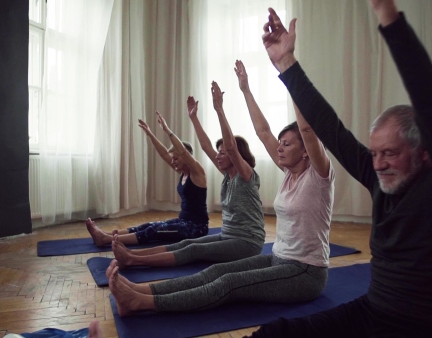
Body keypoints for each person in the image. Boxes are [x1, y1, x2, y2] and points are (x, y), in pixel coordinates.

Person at [248, 1, 432, 337]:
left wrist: (388, 16)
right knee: (275, 334)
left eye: (390, 153)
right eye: (374, 153)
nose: (378, 164)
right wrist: (286, 63)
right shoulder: (382, 179)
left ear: (426, 153)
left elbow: (431, 100)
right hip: (377, 312)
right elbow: (331, 128)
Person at [105, 64, 335, 317]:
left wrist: (288, 69)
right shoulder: (288, 174)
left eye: (287, 144)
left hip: (305, 272)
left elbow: (306, 130)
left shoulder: (319, 176)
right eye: (280, 144)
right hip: (278, 258)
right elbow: (263, 131)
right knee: (216, 272)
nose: (279, 148)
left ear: (306, 150)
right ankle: (143, 290)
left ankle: (140, 303)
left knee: (228, 284)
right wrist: (245, 89)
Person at [110, 92, 265, 268]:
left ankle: (133, 260)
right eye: (219, 152)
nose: (218, 156)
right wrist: (193, 118)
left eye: (223, 153)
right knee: (186, 244)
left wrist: (219, 110)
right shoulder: (227, 177)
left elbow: (230, 146)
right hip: (228, 235)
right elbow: (206, 147)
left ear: (237, 155)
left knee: (194, 251)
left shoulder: (246, 176)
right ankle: (131, 253)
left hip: (247, 242)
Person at [85, 111, 209, 246]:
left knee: (154, 230)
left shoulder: (197, 173)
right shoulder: (182, 172)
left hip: (197, 228)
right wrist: (150, 134)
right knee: (149, 225)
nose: (172, 161)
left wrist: (167, 130)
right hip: (183, 221)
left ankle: (105, 240)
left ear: (185, 157)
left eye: (176, 158)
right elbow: (164, 154)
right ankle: (107, 234)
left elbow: (183, 151)